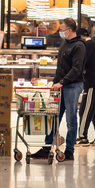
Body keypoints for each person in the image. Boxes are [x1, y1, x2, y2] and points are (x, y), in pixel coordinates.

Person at [31, 18, 84, 162]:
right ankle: (46, 147)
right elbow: (61, 67)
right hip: (60, 87)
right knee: (53, 117)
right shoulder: (65, 43)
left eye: (61, 30)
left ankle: (69, 151)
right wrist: (56, 83)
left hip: (72, 86)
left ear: (69, 30)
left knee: (71, 120)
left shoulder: (79, 46)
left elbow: (76, 69)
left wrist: (62, 82)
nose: (60, 32)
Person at [75, 28, 95, 147]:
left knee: (85, 110)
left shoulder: (86, 46)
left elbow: (80, 64)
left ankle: (82, 137)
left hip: (92, 84)